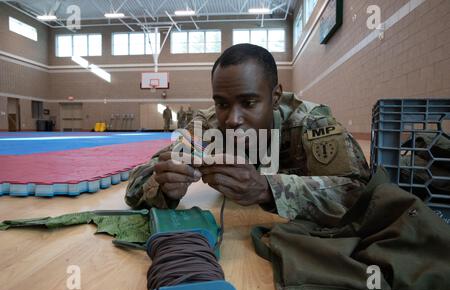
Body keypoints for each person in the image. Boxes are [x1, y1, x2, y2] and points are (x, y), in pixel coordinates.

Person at [125, 44, 370, 227]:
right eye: (222, 104)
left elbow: (360, 194)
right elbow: (137, 185)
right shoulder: (206, 128)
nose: (232, 119)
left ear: (275, 97)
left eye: (249, 102)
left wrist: (267, 189)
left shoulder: (310, 124)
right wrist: (163, 186)